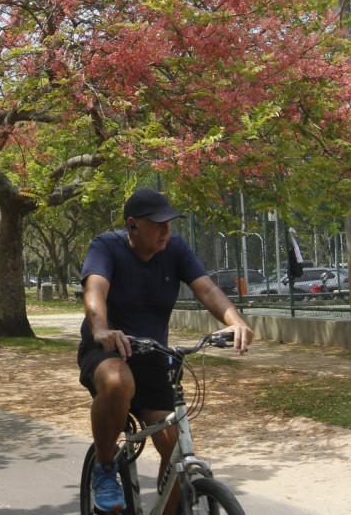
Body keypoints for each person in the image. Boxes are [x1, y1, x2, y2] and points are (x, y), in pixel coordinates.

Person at [79, 188, 254, 515]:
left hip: (152, 357)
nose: (166, 230)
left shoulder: (175, 248)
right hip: (107, 349)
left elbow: (206, 287)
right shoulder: (107, 246)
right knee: (118, 383)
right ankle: (104, 471)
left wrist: (235, 321)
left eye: (169, 223)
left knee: (175, 453)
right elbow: (95, 289)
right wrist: (101, 328)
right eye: (157, 223)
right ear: (132, 225)